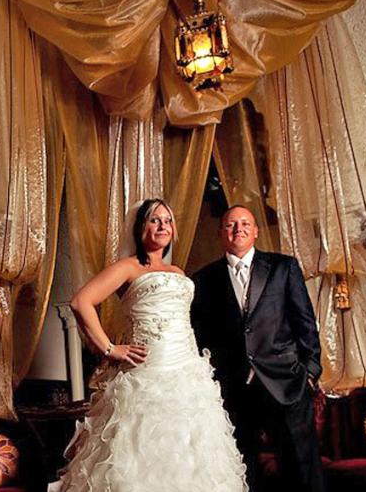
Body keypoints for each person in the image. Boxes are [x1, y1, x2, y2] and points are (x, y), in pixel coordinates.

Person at [49, 199, 247, 492]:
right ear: (141, 227)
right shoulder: (129, 267)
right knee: (141, 447)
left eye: (167, 221)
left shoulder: (178, 272)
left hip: (188, 371)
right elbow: (81, 302)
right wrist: (110, 349)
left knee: (190, 449)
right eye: (154, 220)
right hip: (147, 371)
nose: (162, 226)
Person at [191, 205, 324, 491]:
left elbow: (305, 321)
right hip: (233, 388)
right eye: (230, 225)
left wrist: (310, 370)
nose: (238, 229)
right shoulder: (203, 280)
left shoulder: (283, 267)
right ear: (221, 233)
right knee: (244, 469)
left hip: (287, 381)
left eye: (244, 223)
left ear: (255, 231)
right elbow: (201, 335)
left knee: (302, 469)